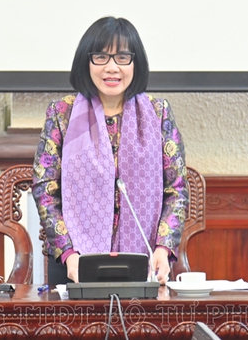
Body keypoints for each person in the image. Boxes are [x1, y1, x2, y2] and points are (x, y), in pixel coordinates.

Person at [32, 16, 189, 285]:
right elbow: (44, 189)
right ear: (86, 62)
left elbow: (177, 188)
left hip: (147, 261)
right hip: (75, 264)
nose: (112, 68)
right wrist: (69, 253)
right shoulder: (62, 113)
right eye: (101, 57)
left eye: (122, 57)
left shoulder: (158, 112)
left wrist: (163, 248)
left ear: (136, 63)